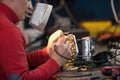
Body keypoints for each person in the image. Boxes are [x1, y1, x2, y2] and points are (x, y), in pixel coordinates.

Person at [0, 0, 71, 80]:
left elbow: (12, 64)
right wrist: (57, 61)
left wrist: (48, 52)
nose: (30, 7)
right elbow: (22, 78)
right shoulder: (8, 30)